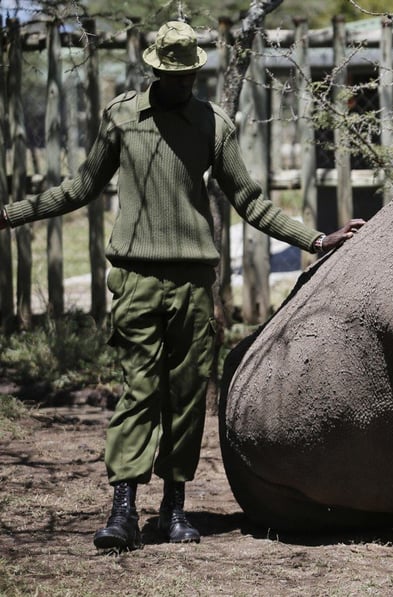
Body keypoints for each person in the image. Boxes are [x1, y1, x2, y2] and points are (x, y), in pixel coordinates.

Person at [0, 20, 365, 551]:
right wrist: (10, 214)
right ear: (155, 70)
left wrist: (315, 240)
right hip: (137, 279)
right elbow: (81, 187)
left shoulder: (214, 124)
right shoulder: (122, 118)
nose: (184, 83)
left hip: (193, 284)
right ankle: (123, 510)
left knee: (188, 397)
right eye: (174, 76)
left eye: (190, 75)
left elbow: (249, 199)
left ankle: (173, 509)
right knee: (140, 392)